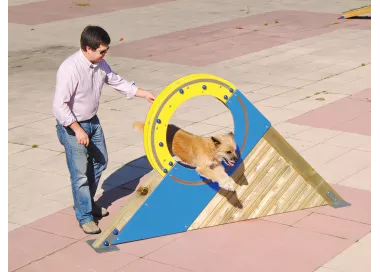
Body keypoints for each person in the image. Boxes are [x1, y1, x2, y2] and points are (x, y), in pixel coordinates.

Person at [53, 25, 155, 234]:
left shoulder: (99, 63)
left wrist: (143, 93)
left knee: (101, 161)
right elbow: (59, 105)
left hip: (92, 122)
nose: (104, 55)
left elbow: (116, 81)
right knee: (80, 175)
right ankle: (85, 216)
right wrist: (77, 130)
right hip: (73, 126)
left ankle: (86, 204)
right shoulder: (70, 68)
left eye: (106, 51)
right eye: (102, 51)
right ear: (87, 48)